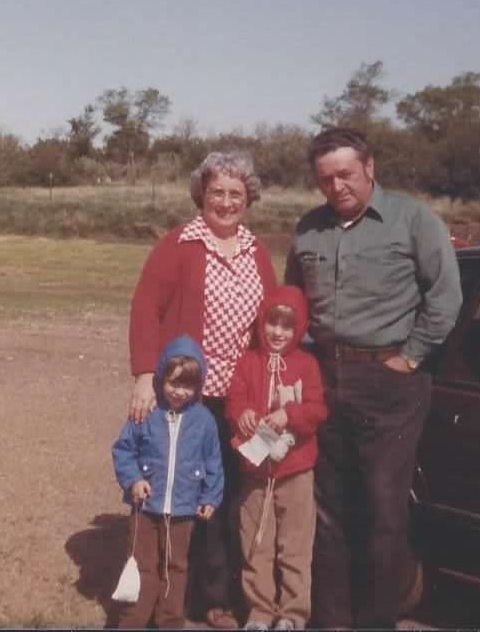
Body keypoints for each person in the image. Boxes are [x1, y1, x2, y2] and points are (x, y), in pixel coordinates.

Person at [284, 126, 462, 629]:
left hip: (390, 384)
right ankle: (332, 619)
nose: (336, 186)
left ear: (369, 168)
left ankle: (377, 620)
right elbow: (293, 301)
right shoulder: (309, 229)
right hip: (325, 379)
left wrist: (409, 357)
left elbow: (445, 297)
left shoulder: (413, 220)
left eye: (345, 174)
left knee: (385, 513)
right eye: (325, 179)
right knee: (328, 512)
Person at [128, 151, 278, 628]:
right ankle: (174, 595)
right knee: (183, 491)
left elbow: (274, 320)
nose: (227, 202)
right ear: (202, 195)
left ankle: (220, 596)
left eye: (237, 193)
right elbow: (145, 309)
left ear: (248, 199)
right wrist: (142, 376)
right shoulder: (179, 244)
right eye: (218, 192)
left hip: (243, 398)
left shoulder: (256, 250)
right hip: (189, 396)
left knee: (234, 492)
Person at [226, 285, 327, 631]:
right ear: (261, 322)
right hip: (256, 471)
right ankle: (259, 611)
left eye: (287, 326)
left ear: (299, 329)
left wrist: (290, 415)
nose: (278, 333)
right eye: (272, 323)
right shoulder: (247, 361)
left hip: (296, 471)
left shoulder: (307, 364)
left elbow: (317, 410)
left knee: (295, 546)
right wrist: (242, 414)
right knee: (256, 543)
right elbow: (235, 400)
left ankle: (293, 614)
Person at [111, 334, 224, 629]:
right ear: (161, 378)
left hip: (183, 510)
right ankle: (134, 620)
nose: (179, 392)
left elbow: (213, 462)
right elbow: (124, 450)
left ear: (198, 386)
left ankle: (169, 621)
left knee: (176, 568)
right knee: (143, 566)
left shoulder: (204, 421)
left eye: (187, 385)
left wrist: (211, 497)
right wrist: (133, 480)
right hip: (146, 509)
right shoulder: (147, 414)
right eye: (173, 383)